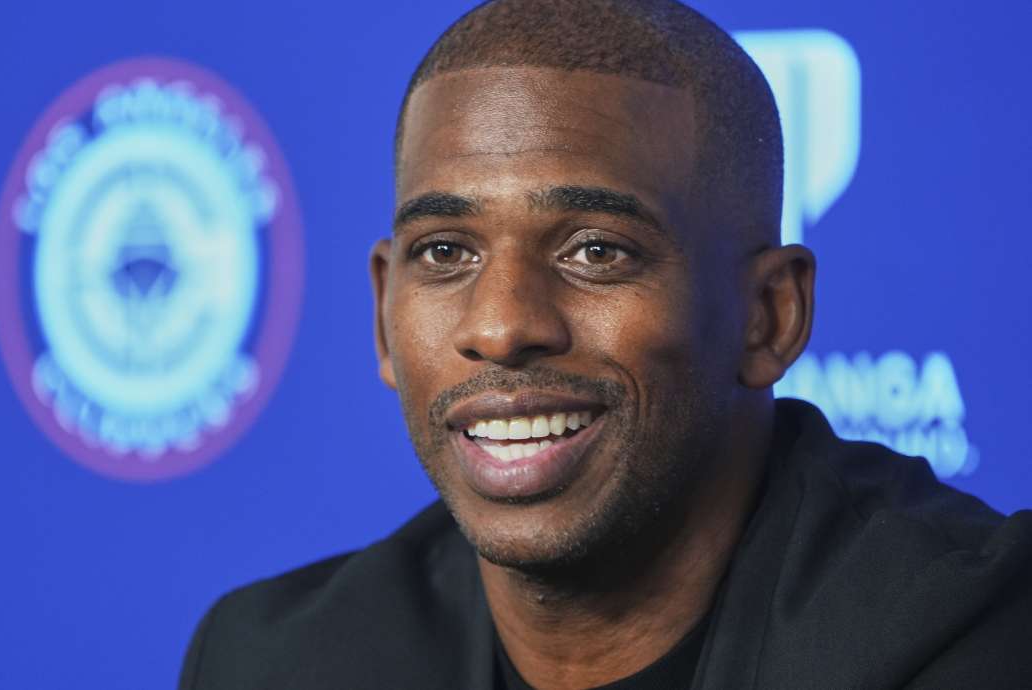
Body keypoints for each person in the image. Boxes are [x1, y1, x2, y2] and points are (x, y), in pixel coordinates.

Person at [180, 1, 1032, 688]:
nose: (500, 326)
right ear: (382, 314)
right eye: (444, 253)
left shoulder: (975, 635)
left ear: (768, 315)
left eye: (596, 251)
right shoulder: (273, 662)